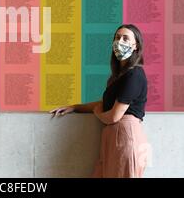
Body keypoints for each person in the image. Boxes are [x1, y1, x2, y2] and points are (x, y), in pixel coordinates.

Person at [50, 24, 149, 178]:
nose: (119, 41)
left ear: (136, 46)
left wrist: (98, 113)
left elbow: (114, 116)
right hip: (115, 138)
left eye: (125, 38)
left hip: (126, 137)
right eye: (117, 37)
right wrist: (75, 107)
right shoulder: (120, 77)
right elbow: (104, 104)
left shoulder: (135, 75)